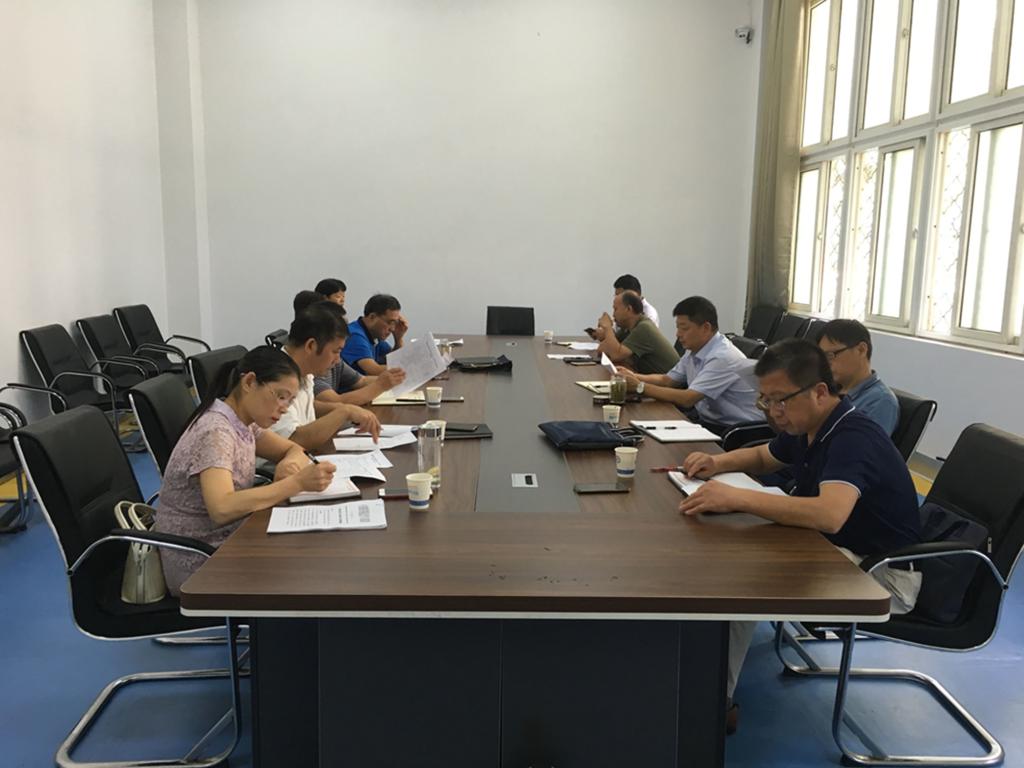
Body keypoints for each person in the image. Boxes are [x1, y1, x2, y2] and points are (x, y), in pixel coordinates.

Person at [677, 338, 922, 733]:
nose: (774, 412)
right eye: (766, 401)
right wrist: (716, 462)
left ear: (819, 392)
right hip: (842, 551)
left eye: (780, 401)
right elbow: (764, 456)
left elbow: (829, 515)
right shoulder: (812, 423)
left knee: (741, 582)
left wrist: (738, 498)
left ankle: (713, 703)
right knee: (735, 554)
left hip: (881, 575)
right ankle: (695, 669)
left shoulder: (852, 436)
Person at [154, 346, 337, 595]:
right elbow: (222, 508)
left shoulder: (244, 422)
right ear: (250, 382)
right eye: (280, 396)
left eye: (290, 401)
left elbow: (294, 449)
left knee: (312, 554)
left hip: (231, 539)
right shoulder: (216, 431)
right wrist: (295, 483)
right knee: (308, 568)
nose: (284, 408)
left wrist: (289, 463)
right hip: (200, 560)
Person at [616, 296, 761, 427]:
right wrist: (632, 376)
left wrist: (639, 386)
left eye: (684, 328)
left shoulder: (722, 356)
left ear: (706, 328)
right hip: (706, 420)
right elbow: (667, 380)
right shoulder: (695, 350)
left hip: (734, 429)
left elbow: (688, 398)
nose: (678, 334)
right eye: (678, 328)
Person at [270, 301, 381, 448]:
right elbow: (293, 440)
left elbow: (307, 407)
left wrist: (343, 409)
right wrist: (344, 411)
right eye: (335, 351)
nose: (337, 360)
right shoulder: (277, 377)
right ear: (311, 346)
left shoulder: (304, 371)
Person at [307, 300, 408, 406]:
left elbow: (362, 380)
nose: (392, 328)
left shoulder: (334, 359)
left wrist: (393, 379)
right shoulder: (310, 372)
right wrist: (381, 385)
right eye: (336, 351)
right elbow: (335, 402)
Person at [818, 319, 899, 435]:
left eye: (831, 355)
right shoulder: (830, 390)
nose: (825, 364)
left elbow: (861, 445)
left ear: (861, 350)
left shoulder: (881, 402)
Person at [594, 290, 678, 374]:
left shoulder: (644, 328)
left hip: (669, 380)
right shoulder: (627, 327)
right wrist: (608, 331)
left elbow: (616, 355)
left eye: (615, 309)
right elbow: (602, 349)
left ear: (628, 309)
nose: (613, 314)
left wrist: (607, 328)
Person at [342, 294, 409, 375]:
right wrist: (410, 367)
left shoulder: (374, 335)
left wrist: (398, 339)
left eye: (395, 323)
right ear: (372, 317)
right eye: (389, 322)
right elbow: (374, 370)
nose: (392, 329)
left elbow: (394, 360)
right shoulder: (355, 336)